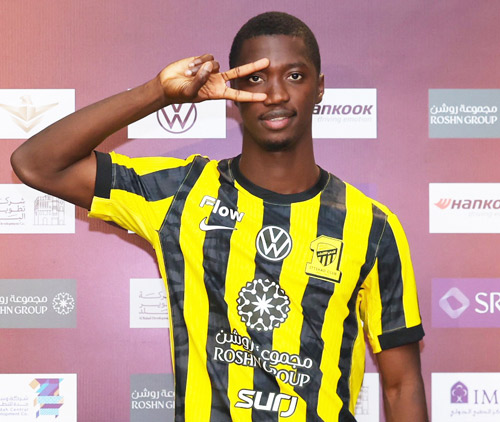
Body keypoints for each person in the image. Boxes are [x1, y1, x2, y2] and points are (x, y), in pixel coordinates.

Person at [11, 11, 428, 422]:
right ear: (233, 89)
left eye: (294, 76)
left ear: (319, 88)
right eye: (256, 78)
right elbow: (37, 164)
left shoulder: (372, 226)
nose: (276, 94)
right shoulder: (184, 192)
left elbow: (402, 386)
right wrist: (158, 93)